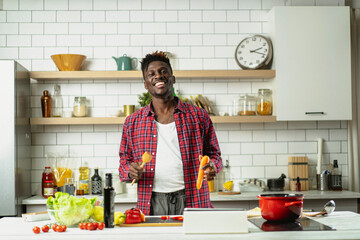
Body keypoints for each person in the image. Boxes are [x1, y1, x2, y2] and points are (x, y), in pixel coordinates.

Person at [119, 51, 222, 216]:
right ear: (146, 84)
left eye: (163, 71)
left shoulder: (198, 116)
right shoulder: (133, 121)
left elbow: (214, 154)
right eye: (151, 74)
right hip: (151, 201)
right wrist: (129, 172)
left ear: (173, 78)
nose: (158, 76)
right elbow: (124, 161)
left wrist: (213, 167)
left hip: (193, 199)